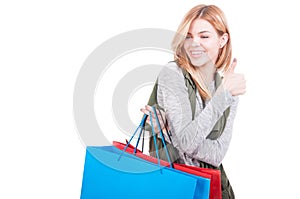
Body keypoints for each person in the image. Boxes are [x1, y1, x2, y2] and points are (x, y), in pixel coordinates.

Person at [140, 4, 246, 199]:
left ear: (222, 40)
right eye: (188, 36)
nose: (194, 43)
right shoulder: (173, 74)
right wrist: (222, 98)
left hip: (211, 189)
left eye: (204, 36)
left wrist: (170, 132)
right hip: (172, 186)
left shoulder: (227, 88)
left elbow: (217, 155)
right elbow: (187, 142)